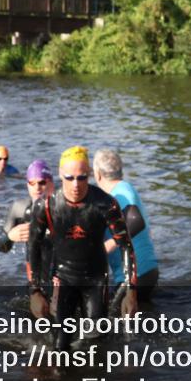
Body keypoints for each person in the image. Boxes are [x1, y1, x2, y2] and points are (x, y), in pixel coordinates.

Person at [28, 146, 137, 348]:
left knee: (97, 344)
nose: (76, 184)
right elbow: (33, 246)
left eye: (82, 177)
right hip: (62, 278)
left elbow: (126, 246)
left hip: (95, 280)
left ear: (89, 175)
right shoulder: (46, 206)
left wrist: (131, 291)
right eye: (70, 178)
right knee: (60, 345)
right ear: (60, 176)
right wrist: (35, 291)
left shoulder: (105, 204)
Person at [93, 148, 159, 303]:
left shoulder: (120, 193)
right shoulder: (125, 190)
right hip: (145, 271)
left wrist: (109, 244)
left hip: (136, 275)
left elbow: (136, 222)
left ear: (97, 174)